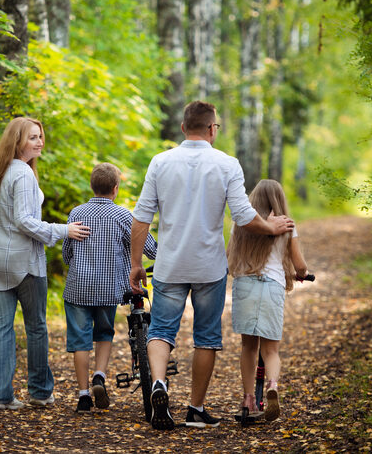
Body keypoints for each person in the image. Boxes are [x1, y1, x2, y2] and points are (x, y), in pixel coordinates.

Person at [129, 101, 295, 430]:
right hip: (208, 267)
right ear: (211, 129)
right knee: (205, 337)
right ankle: (195, 409)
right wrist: (272, 227)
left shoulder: (160, 162)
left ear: (182, 128)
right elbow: (244, 217)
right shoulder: (226, 164)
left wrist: (136, 264)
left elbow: (141, 219)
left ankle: (159, 384)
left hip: (170, 265)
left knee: (161, 331)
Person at [0, 116, 91, 410]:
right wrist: (64, 230)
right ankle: (39, 391)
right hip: (24, 263)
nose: (40, 142)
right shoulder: (23, 173)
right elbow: (24, 221)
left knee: (0, 326)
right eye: (33, 137)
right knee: (36, 326)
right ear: (17, 141)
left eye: (40, 136)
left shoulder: (1, 170)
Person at [62, 163, 158, 414]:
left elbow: (66, 253)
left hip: (78, 288)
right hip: (108, 290)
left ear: (92, 187)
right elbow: (149, 248)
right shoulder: (123, 216)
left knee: (80, 341)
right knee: (104, 333)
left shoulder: (76, 214)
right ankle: (99, 377)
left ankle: (83, 396)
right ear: (115, 189)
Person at [226, 179, 308, 423]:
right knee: (271, 350)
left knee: (248, 347)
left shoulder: (241, 223)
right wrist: (301, 274)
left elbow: (229, 255)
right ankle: (272, 385)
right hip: (272, 286)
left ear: (253, 199)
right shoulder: (288, 225)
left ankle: (249, 398)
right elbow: (300, 265)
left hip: (245, 284)